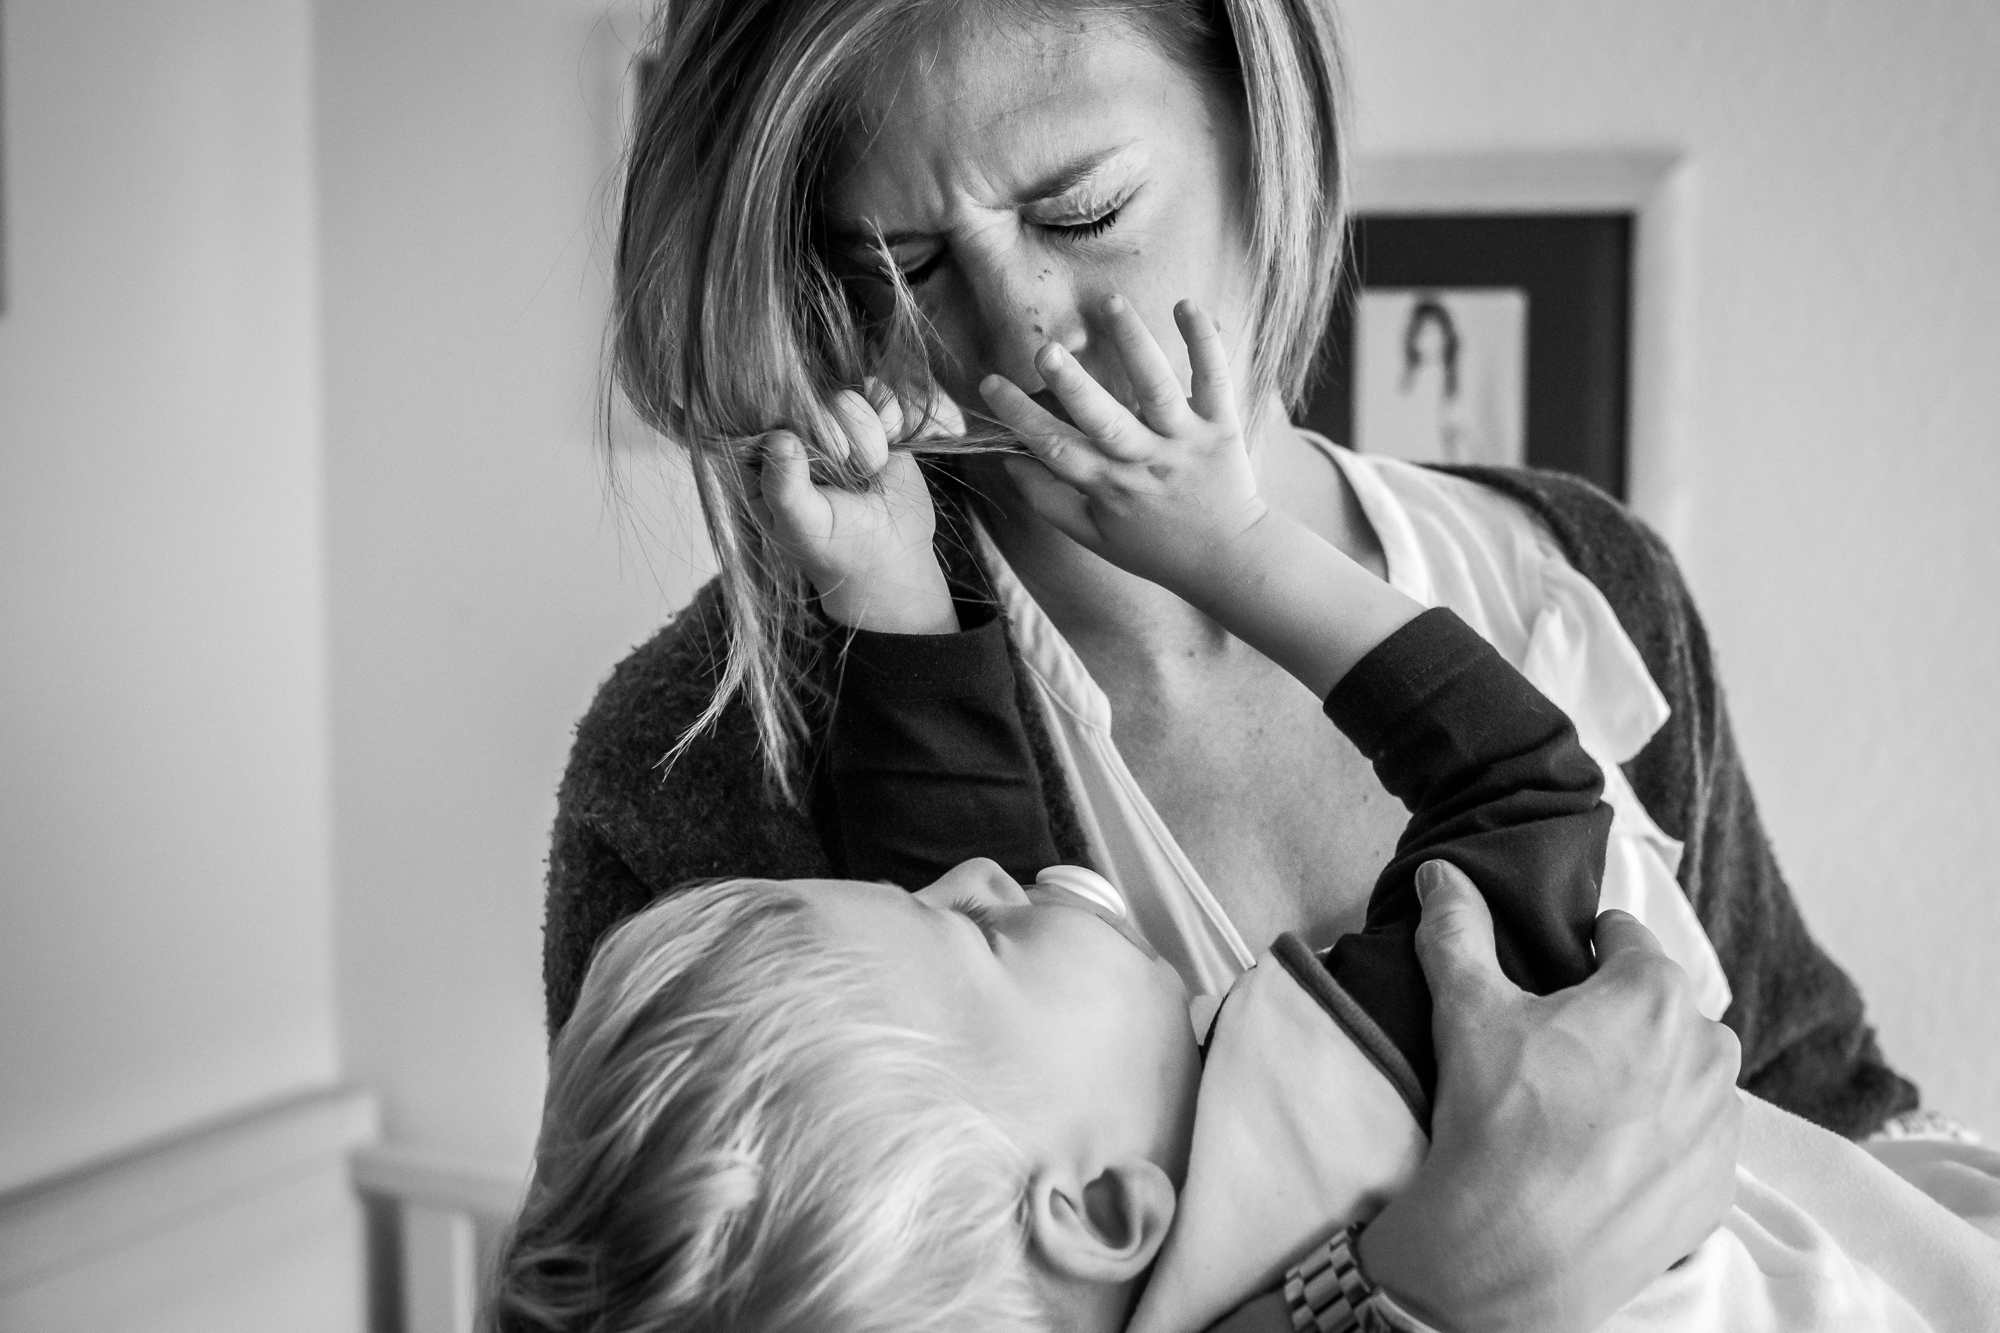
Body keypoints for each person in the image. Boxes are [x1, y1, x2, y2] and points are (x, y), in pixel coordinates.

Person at [546, 0, 1926, 1323]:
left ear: (1262, 119)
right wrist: (1425, 1293)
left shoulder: (1573, 577)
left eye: (1081, 210)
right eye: (897, 262)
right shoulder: (697, 760)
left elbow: (1822, 1107)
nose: (1019, 333)